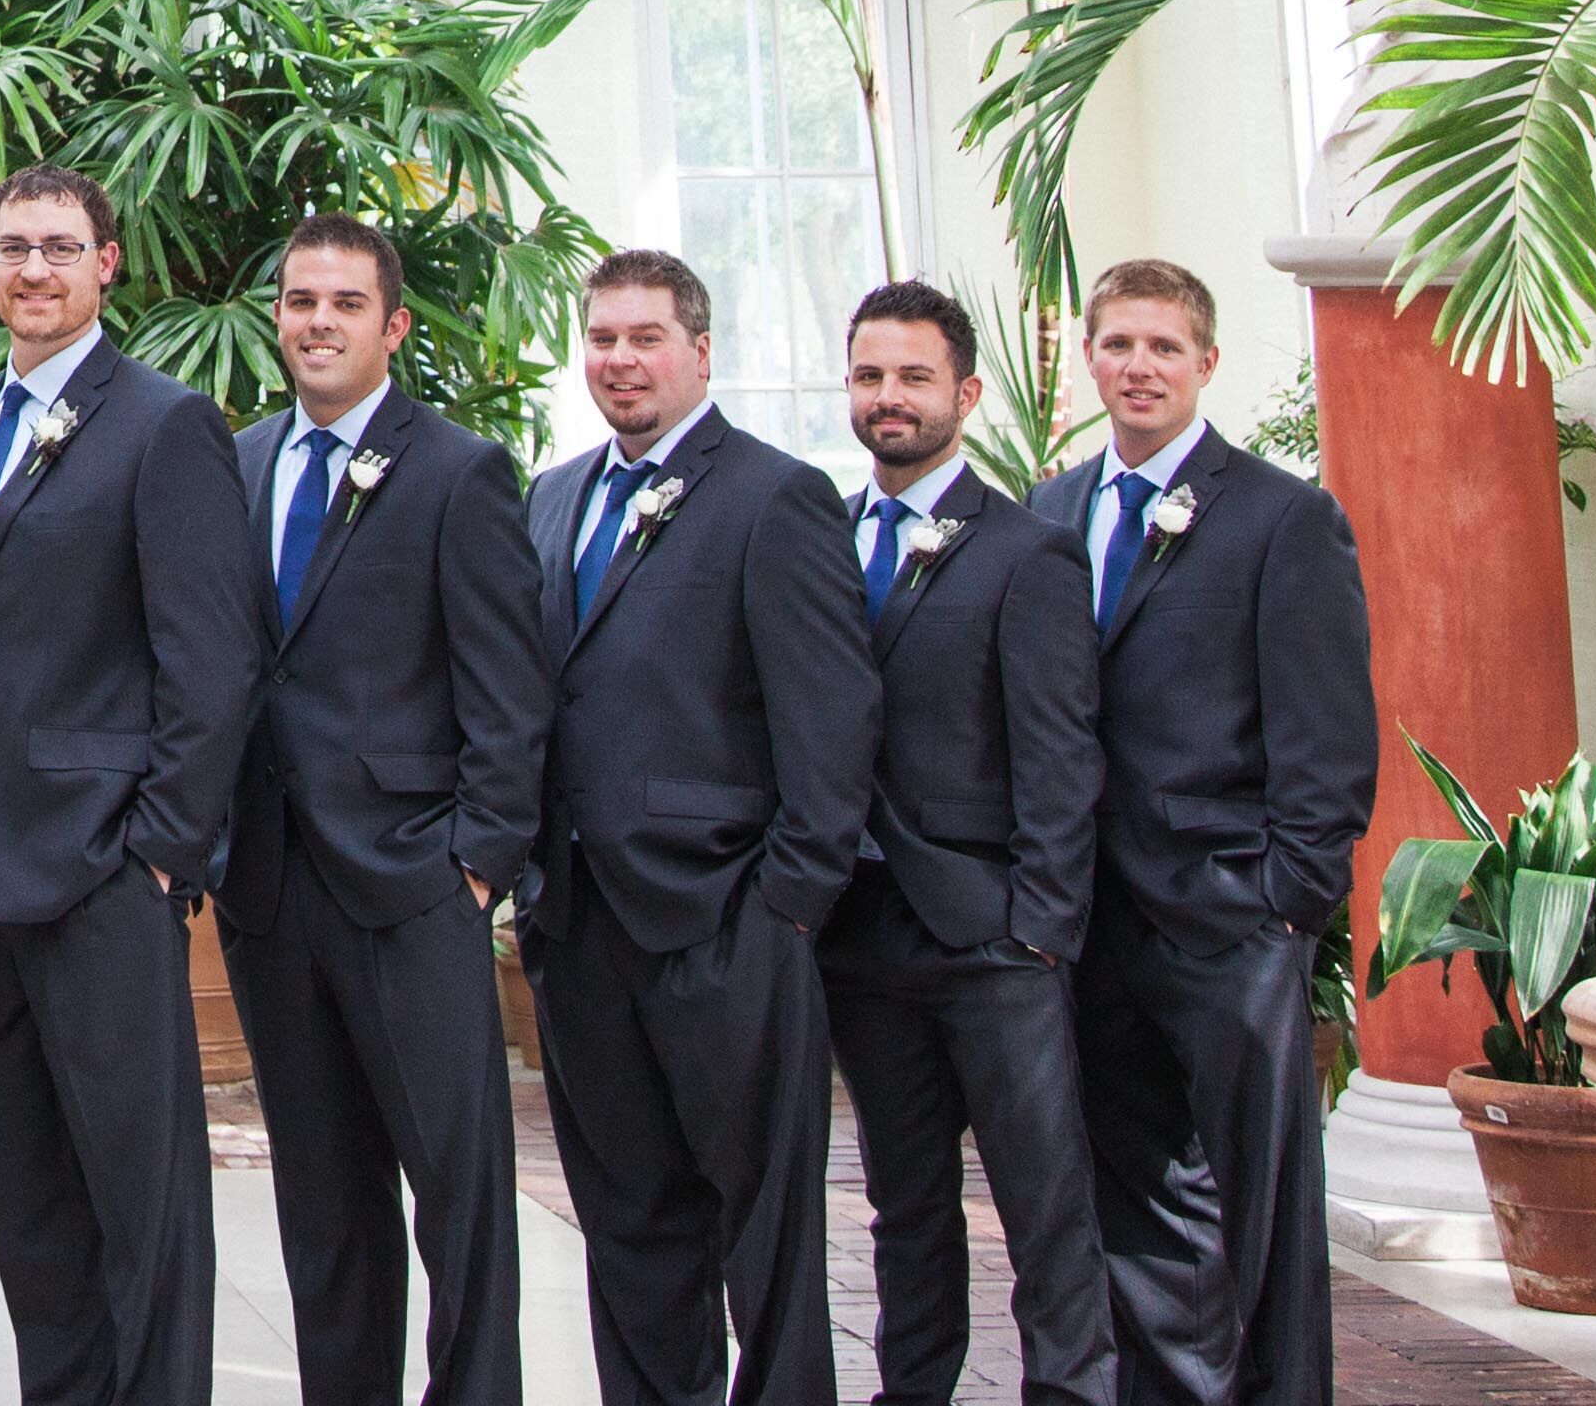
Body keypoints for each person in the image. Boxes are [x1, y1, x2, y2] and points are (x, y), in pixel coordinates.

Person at [0, 163, 260, 1406]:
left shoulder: (165, 425)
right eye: (13, 248)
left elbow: (211, 659)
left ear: (107, 264)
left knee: (139, 1197)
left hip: (103, 867)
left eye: (60, 247)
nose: (33, 271)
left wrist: (162, 852)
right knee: (27, 1192)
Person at [519, 252, 872, 1406]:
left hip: (728, 926)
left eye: (645, 337)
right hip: (579, 929)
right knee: (627, 1225)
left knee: (762, 1233)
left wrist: (785, 911)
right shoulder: (555, 496)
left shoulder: (776, 498)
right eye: (603, 338)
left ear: (700, 351)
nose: (620, 359)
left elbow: (832, 719)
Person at [212, 217, 547, 1406]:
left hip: (412, 888)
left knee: (458, 1205)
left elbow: (509, 691)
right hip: (269, 889)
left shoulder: (459, 471)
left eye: (345, 303)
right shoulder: (239, 462)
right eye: (301, 300)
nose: (317, 322)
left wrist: (474, 866)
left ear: (391, 326)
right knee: (324, 1203)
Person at [1026, 261, 1373, 1406]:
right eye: (1119, 345)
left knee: (1264, 1204)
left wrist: (1287, 898)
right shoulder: (1051, 511)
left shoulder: (1284, 518)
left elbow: (1327, 735)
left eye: (1163, 348)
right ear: (1092, 359)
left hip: (1230, 915)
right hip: (1095, 919)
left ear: (1206, 364)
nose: (1138, 367)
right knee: (1131, 1194)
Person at [820, 283, 1109, 1406]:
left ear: (966, 394)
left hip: (993, 939)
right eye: (870, 376)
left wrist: (1040, 928)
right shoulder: (825, 540)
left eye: (912, 377)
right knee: (904, 1204)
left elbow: (1061, 755)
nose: (888, 398)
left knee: (1045, 1204)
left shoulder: (1025, 553)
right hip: (862, 934)